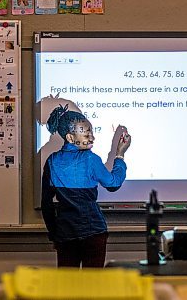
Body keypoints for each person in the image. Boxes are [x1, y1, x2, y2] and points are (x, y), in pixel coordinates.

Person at [41, 105, 131, 268]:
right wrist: (120, 155)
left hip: (65, 234)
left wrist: (55, 234)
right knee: (93, 286)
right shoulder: (90, 159)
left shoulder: (52, 161)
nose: (92, 138)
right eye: (86, 133)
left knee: (67, 287)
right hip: (93, 232)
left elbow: (46, 204)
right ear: (69, 137)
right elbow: (113, 184)